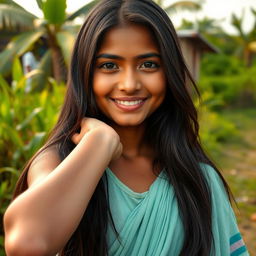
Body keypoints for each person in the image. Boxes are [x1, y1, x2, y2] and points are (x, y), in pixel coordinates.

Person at [3, 0, 249, 255]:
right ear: (86, 74)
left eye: (148, 64)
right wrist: (99, 143)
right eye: (109, 66)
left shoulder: (197, 176)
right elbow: (26, 244)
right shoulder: (58, 159)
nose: (129, 84)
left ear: (169, 72)